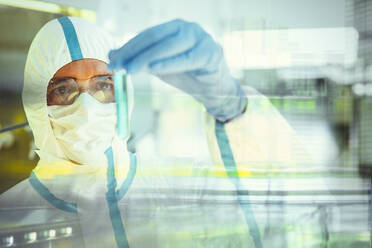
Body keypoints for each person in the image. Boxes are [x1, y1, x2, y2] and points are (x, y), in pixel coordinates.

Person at [0, 17, 316, 248]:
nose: (87, 107)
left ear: (123, 93)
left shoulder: (185, 191)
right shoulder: (10, 218)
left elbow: (293, 215)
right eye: (64, 89)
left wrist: (236, 112)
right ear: (38, 105)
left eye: (102, 86)